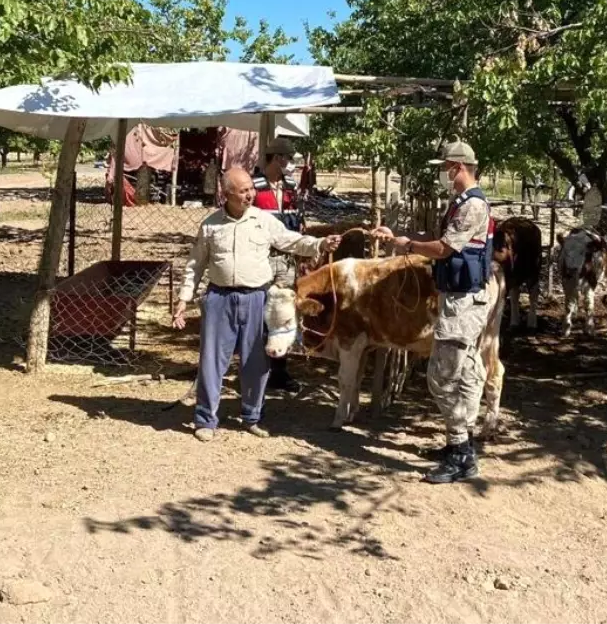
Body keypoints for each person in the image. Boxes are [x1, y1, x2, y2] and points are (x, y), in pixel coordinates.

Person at [171, 167, 340, 442]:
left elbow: (291, 241)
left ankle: (252, 416)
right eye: (243, 191)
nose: (250, 194)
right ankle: (205, 419)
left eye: (251, 188)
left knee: (256, 360)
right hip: (219, 299)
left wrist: (320, 244)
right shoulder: (211, 225)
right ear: (227, 194)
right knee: (212, 360)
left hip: (256, 298)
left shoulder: (263, 221)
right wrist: (183, 299)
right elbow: (195, 264)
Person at [373, 138, 494, 484]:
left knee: (442, 378)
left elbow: (444, 248)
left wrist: (409, 245)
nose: (442, 173)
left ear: (457, 167)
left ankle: (459, 452)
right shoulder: (462, 203)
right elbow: (439, 237)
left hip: (462, 304)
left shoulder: (472, 205)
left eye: (444, 167)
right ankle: (462, 445)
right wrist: (400, 237)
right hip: (461, 299)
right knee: (467, 375)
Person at [251, 138, 304, 394]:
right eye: (286, 158)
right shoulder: (253, 187)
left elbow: (298, 223)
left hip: (287, 259)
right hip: (262, 257)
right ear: (277, 158)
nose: (289, 163)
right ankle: (256, 368)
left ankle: (280, 371)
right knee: (260, 311)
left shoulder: (292, 188)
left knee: (283, 312)